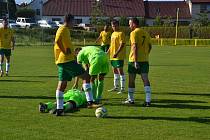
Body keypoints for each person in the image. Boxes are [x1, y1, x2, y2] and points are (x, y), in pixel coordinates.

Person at [54, 14, 100, 116]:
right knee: (86, 76)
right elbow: (57, 41)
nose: (74, 23)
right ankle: (90, 102)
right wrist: (65, 51)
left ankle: (59, 109)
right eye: (74, 21)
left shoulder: (64, 29)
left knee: (62, 84)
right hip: (67, 60)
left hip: (63, 61)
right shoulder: (63, 29)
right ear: (69, 21)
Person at [123, 18, 152, 107]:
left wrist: (135, 61)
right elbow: (150, 46)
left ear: (134, 24)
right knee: (145, 79)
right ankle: (148, 101)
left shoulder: (133, 33)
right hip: (144, 60)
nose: (129, 25)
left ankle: (131, 99)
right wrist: (145, 55)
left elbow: (134, 47)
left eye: (130, 24)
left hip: (133, 61)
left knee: (131, 80)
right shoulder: (146, 33)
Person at [107, 20, 126, 94]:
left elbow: (122, 44)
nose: (113, 27)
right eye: (112, 26)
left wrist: (117, 53)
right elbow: (111, 45)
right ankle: (116, 87)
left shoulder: (121, 33)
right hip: (112, 55)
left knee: (120, 71)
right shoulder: (113, 34)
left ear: (118, 25)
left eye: (115, 26)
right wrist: (107, 52)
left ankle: (122, 88)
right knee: (114, 70)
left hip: (119, 56)